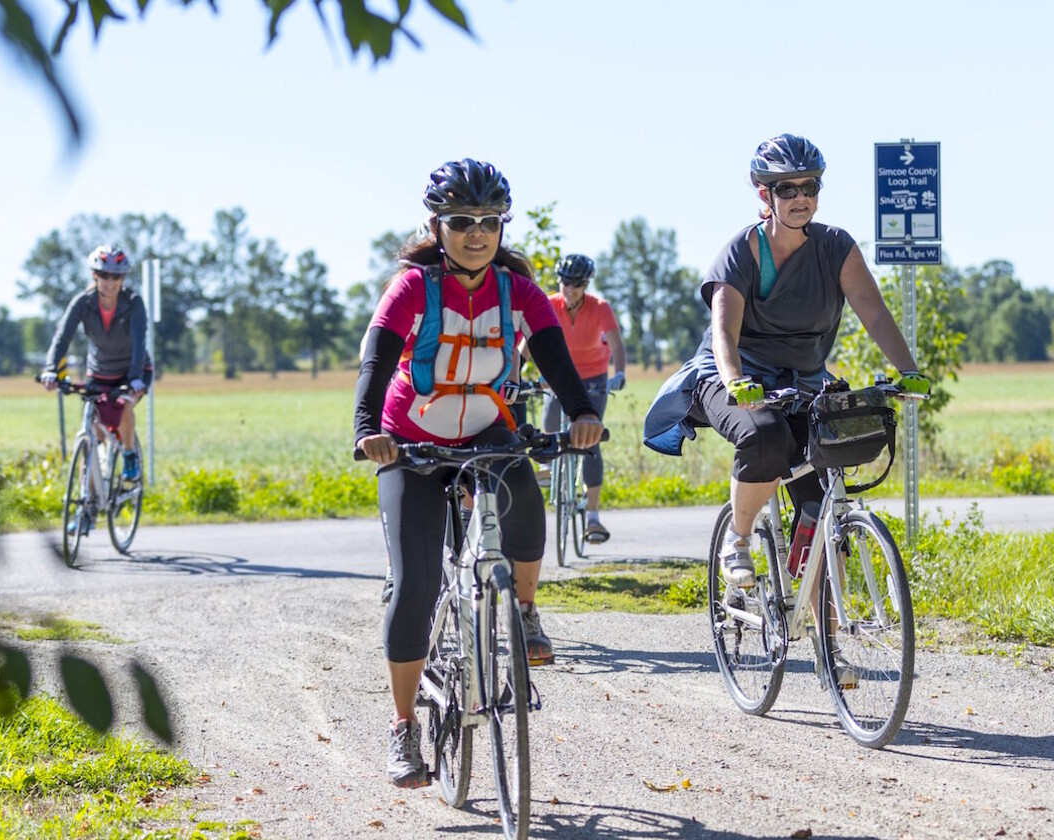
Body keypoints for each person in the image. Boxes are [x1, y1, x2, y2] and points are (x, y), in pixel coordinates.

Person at [355, 159, 605, 788]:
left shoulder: (517, 291)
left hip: (485, 427)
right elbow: (377, 359)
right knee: (413, 584)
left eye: (489, 222)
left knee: (522, 485)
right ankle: (404, 728)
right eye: (461, 222)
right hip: (409, 441)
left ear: (501, 227)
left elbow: (552, 354)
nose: (476, 233)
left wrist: (580, 411)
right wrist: (367, 431)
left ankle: (523, 611)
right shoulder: (413, 287)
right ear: (436, 226)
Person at [642, 133, 931, 594]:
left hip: (803, 380)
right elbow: (723, 333)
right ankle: (736, 540)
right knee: (765, 436)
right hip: (728, 375)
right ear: (765, 194)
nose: (800, 198)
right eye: (786, 188)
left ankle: (831, 648)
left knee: (824, 497)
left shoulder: (835, 248)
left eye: (809, 187)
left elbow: (873, 311)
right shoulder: (743, 252)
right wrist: (736, 381)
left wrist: (908, 370)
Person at [41, 245, 151, 484]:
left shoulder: (133, 303)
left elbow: (139, 341)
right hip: (100, 371)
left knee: (123, 405)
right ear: (94, 275)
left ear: (122, 279)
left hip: (133, 369)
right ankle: (86, 507)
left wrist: (134, 378)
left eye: (116, 277)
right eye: (103, 276)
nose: (109, 283)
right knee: (92, 436)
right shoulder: (83, 302)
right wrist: (51, 368)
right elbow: (62, 337)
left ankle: (130, 454)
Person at [543, 254, 627, 542]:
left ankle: (593, 517)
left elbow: (615, 343)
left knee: (592, 438)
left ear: (585, 285)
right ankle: (546, 465)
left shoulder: (599, 307)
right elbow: (528, 342)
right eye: (565, 282)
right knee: (550, 415)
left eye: (576, 284)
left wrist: (620, 373)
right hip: (560, 373)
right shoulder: (549, 304)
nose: (569, 288)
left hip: (594, 377)